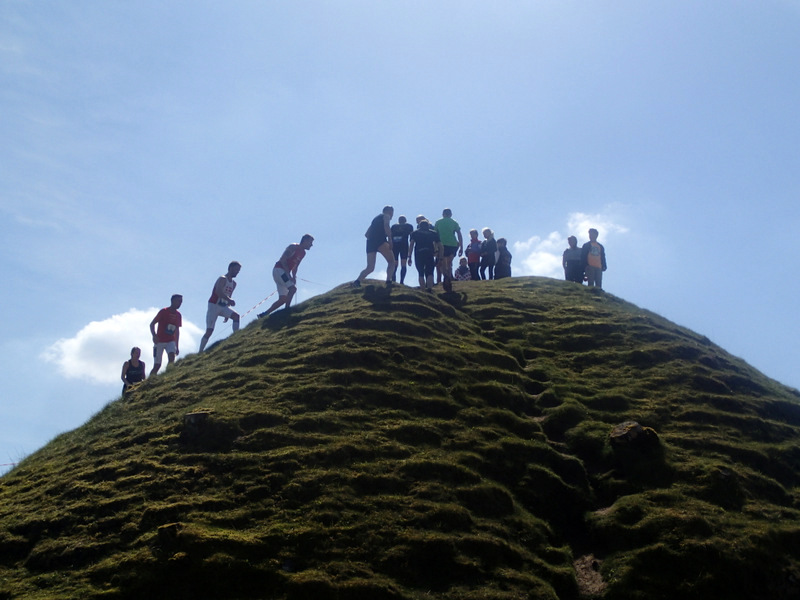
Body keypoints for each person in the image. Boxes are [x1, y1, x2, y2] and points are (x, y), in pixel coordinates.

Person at [259, 234, 315, 317]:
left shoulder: (303, 253)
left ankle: (264, 314)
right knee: (292, 289)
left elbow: (296, 265)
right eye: (310, 242)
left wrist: (294, 276)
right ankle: (287, 310)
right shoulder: (293, 247)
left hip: (283, 273)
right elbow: (283, 259)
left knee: (283, 299)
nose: (311, 245)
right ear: (305, 241)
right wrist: (288, 274)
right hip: (279, 270)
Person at [198, 261, 241, 352]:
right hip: (214, 305)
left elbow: (229, 295)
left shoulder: (234, 284)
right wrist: (229, 300)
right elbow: (218, 291)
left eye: (238, 270)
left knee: (236, 316)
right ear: (230, 268)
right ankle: (200, 351)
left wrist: (227, 309)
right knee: (210, 330)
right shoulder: (222, 278)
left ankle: (236, 337)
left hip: (223, 306)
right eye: (236, 269)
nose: (237, 272)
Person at [353, 206, 395, 288]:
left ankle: (357, 281)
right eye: (392, 212)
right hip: (380, 240)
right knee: (391, 261)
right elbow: (386, 225)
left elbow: (366, 234)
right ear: (389, 211)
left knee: (370, 267)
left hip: (370, 243)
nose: (392, 214)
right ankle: (388, 281)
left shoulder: (375, 219)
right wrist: (390, 239)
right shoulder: (386, 216)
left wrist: (372, 241)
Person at [149, 294, 182, 376]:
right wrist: (154, 335)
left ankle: (167, 376)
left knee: (171, 358)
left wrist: (177, 346)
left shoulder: (178, 315)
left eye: (181, 302)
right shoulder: (163, 311)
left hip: (170, 340)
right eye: (178, 301)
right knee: (157, 365)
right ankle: (150, 380)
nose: (180, 303)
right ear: (172, 301)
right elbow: (152, 324)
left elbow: (177, 331)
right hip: (159, 341)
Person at [434, 208, 463, 292]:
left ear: (443, 214)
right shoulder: (454, 222)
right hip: (453, 244)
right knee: (449, 262)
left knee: (443, 262)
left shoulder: (438, 222)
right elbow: (459, 234)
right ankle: (449, 276)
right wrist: (461, 246)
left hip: (442, 244)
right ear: (450, 214)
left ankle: (446, 276)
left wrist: (435, 247)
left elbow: (435, 235)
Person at [408, 219, 441, 292]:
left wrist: (409, 256)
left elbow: (411, 245)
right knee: (430, 272)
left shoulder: (414, 233)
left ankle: (423, 290)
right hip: (429, 253)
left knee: (420, 272)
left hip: (418, 253)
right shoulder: (433, 233)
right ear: (428, 226)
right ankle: (429, 289)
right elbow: (440, 245)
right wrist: (439, 255)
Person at [390, 216, 414, 284]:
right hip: (404, 245)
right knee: (403, 263)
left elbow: (390, 236)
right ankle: (401, 281)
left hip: (395, 246)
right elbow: (411, 237)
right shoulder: (409, 226)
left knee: (395, 263)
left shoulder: (394, 226)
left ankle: (393, 279)